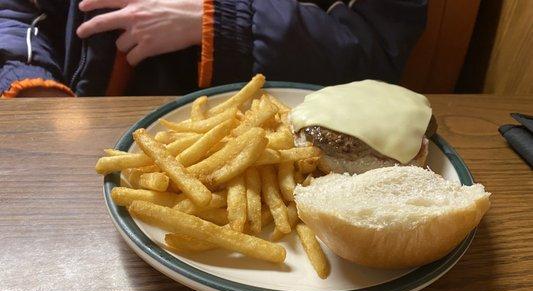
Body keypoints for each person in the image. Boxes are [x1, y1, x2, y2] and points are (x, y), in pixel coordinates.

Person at [0, 0, 427, 98]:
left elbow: (376, 52)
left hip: (276, 149)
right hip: (82, 129)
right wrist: (27, 80)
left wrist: (216, 23)